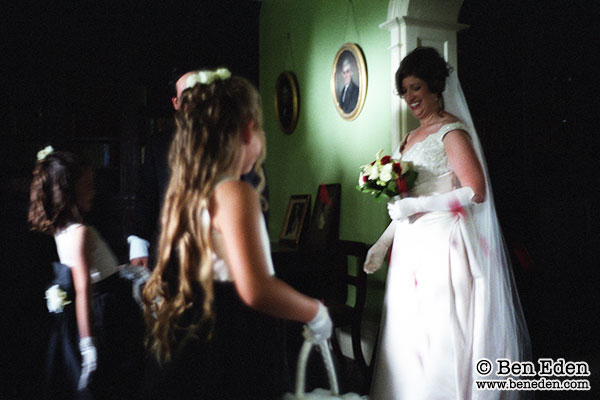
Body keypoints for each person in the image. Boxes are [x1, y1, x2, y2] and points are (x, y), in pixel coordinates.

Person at [141, 69, 332, 399]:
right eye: (257, 125)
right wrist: (314, 312)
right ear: (246, 130)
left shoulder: (189, 192)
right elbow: (256, 289)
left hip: (201, 333)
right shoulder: (235, 193)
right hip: (237, 337)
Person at [364, 47, 530, 399]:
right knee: (409, 333)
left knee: (440, 328)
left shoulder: (451, 132)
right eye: (405, 91)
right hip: (411, 247)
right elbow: (404, 206)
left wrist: (418, 205)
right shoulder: (408, 139)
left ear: (435, 87)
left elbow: (476, 191)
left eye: (416, 88)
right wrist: (383, 242)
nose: (410, 98)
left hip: (444, 243)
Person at [28, 148, 145, 399]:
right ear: (69, 192)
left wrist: (124, 270)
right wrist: (88, 345)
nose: (94, 191)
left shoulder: (61, 230)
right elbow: (83, 289)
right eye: (88, 185)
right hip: (105, 310)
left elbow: (94, 273)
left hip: (103, 297)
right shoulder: (81, 232)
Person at [127, 68, 269, 269]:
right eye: (188, 97)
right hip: (171, 259)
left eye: (202, 95)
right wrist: (138, 245)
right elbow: (146, 199)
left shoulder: (239, 145)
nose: (197, 103)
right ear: (177, 104)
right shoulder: (159, 145)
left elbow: (256, 198)